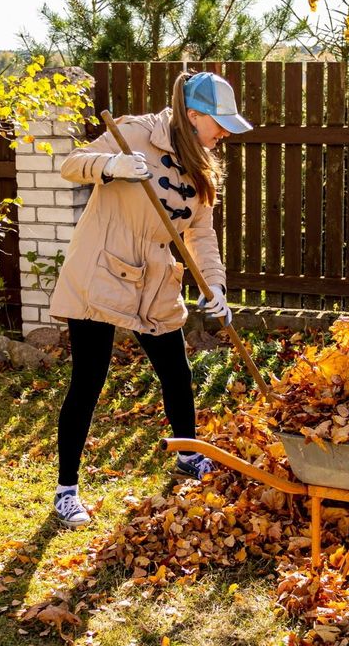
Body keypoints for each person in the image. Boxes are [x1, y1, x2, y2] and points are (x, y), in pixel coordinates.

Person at [47, 71, 252, 528]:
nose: (223, 133)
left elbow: (201, 231)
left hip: (157, 281)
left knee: (176, 375)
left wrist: (214, 286)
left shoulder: (201, 160)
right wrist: (112, 166)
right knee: (89, 380)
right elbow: (72, 163)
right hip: (101, 272)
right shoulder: (134, 132)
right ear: (194, 115)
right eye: (219, 123)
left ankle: (187, 457)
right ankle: (66, 491)